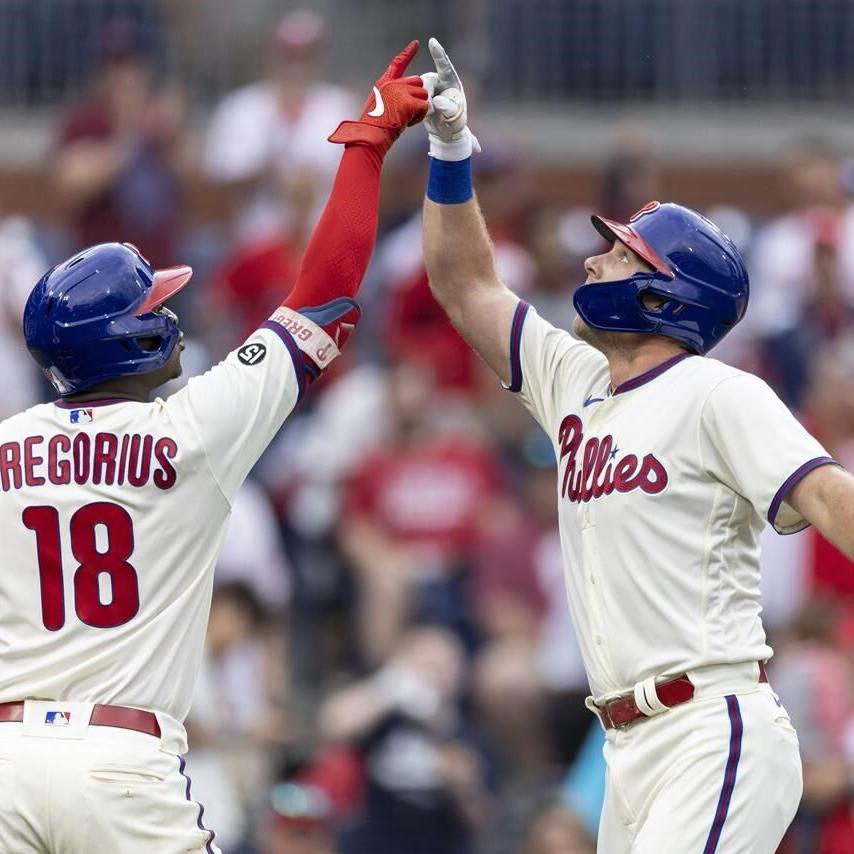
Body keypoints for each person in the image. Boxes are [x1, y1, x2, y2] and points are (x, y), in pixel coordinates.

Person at [419, 38, 854, 853]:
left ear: (663, 291)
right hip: (624, 743)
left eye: (620, 251)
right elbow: (464, 283)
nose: (593, 257)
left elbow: (832, 496)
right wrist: (450, 147)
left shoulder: (718, 392)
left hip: (712, 725)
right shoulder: (573, 380)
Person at [0, 41, 428, 853]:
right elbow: (329, 289)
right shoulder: (194, 429)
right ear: (128, 339)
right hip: (121, 764)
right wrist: (367, 143)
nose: (169, 316)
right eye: (152, 308)